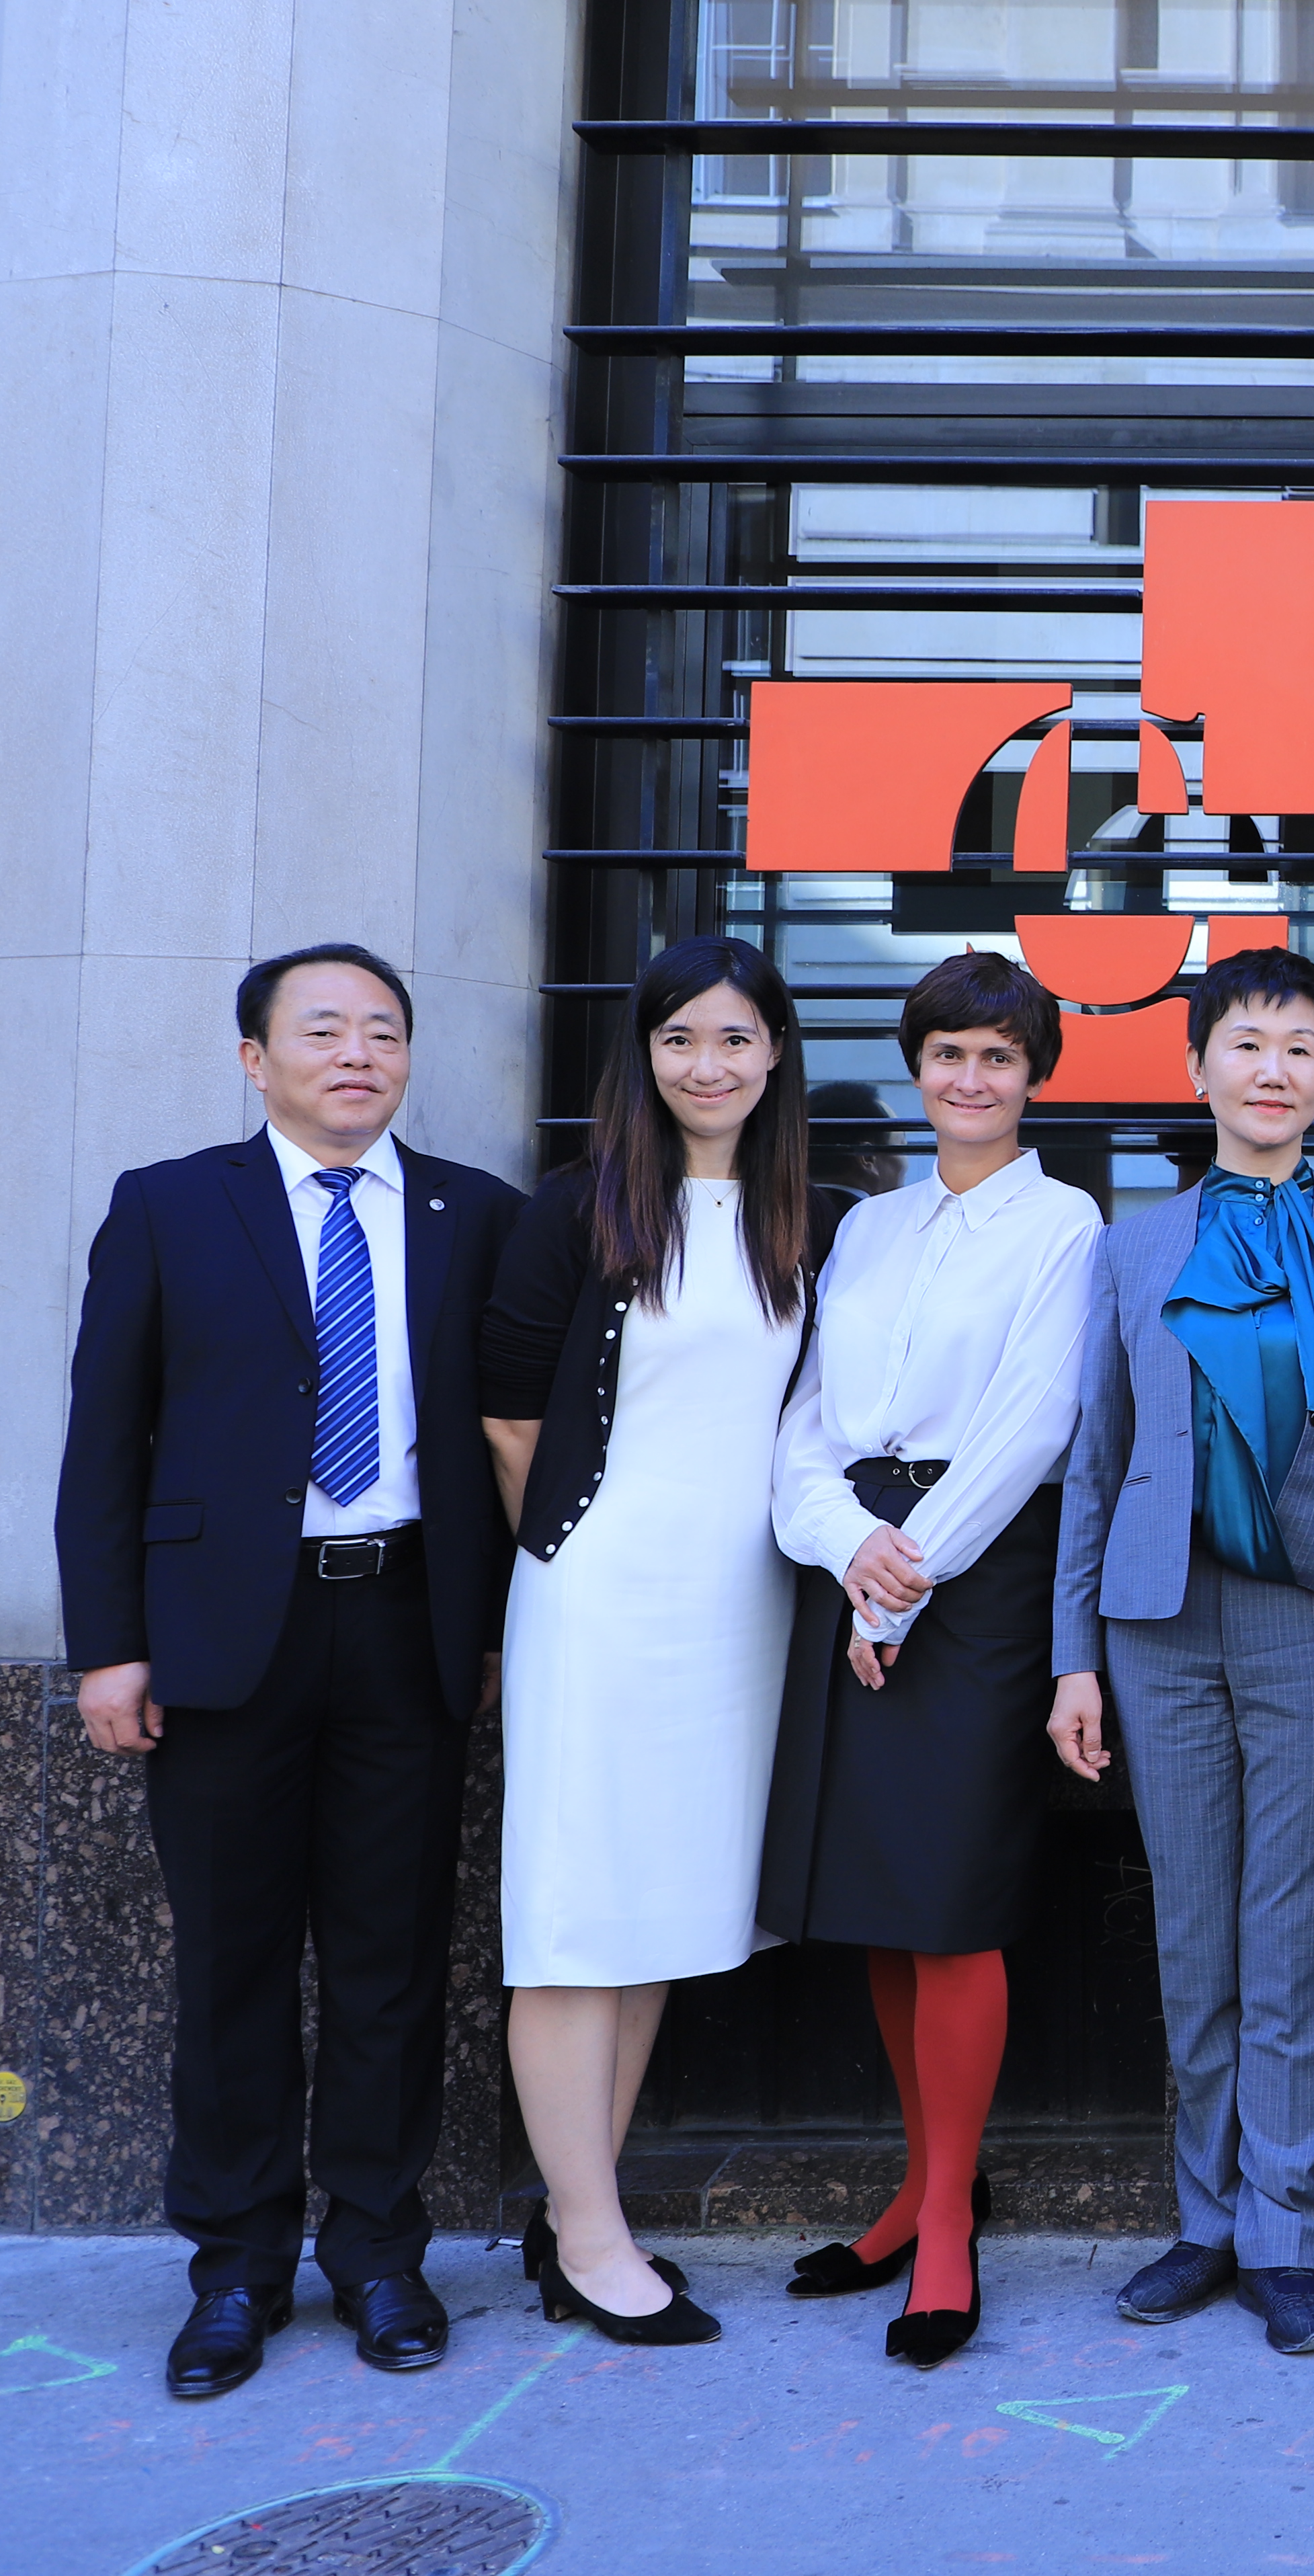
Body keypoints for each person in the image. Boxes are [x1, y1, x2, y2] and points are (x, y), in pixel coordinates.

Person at [56, 947, 527, 2402]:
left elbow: (510, 1441)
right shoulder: (168, 1204)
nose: (357, 1055)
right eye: (321, 1030)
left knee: (392, 1961)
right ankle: (238, 2267)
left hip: (405, 1622)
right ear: (254, 1057)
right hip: (217, 1639)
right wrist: (107, 1643)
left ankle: (381, 2252)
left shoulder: (478, 1216)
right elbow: (103, 1439)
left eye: (383, 1032)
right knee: (235, 1959)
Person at [1046, 947, 1314, 2359]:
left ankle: (1287, 2228)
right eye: (1249, 1045)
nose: (1274, 1071)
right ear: (1196, 1069)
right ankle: (1202, 2217)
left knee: (1301, 1925)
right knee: (1194, 1921)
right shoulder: (1132, 1242)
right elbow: (1096, 1456)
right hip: (1155, 1619)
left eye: (1302, 1049)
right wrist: (1074, 1652)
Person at [480, 935, 844, 2349]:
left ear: (776, 1056)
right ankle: (585, 2233)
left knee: (658, 1921)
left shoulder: (808, 1212)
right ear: (642, 1055)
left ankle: (586, 2206)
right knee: (576, 1919)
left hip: (739, 1613)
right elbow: (510, 1415)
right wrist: (576, 1560)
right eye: (682, 1037)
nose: (710, 1064)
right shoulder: (574, 1209)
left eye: (738, 1038)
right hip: (600, 1601)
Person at [760, 952, 1102, 2370]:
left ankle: (951, 2225)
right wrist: (845, 1549)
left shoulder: (1067, 1222)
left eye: (999, 1059)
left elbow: (1034, 1427)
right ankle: (914, 2186)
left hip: (980, 1572)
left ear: (1035, 1078)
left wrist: (901, 1582)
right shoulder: (868, 1228)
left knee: (955, 1900)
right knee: (883, 1902)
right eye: (949, 1055)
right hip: (857, 1562)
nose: (971, 1079)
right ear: (918, 1068)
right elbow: (808, 1421)